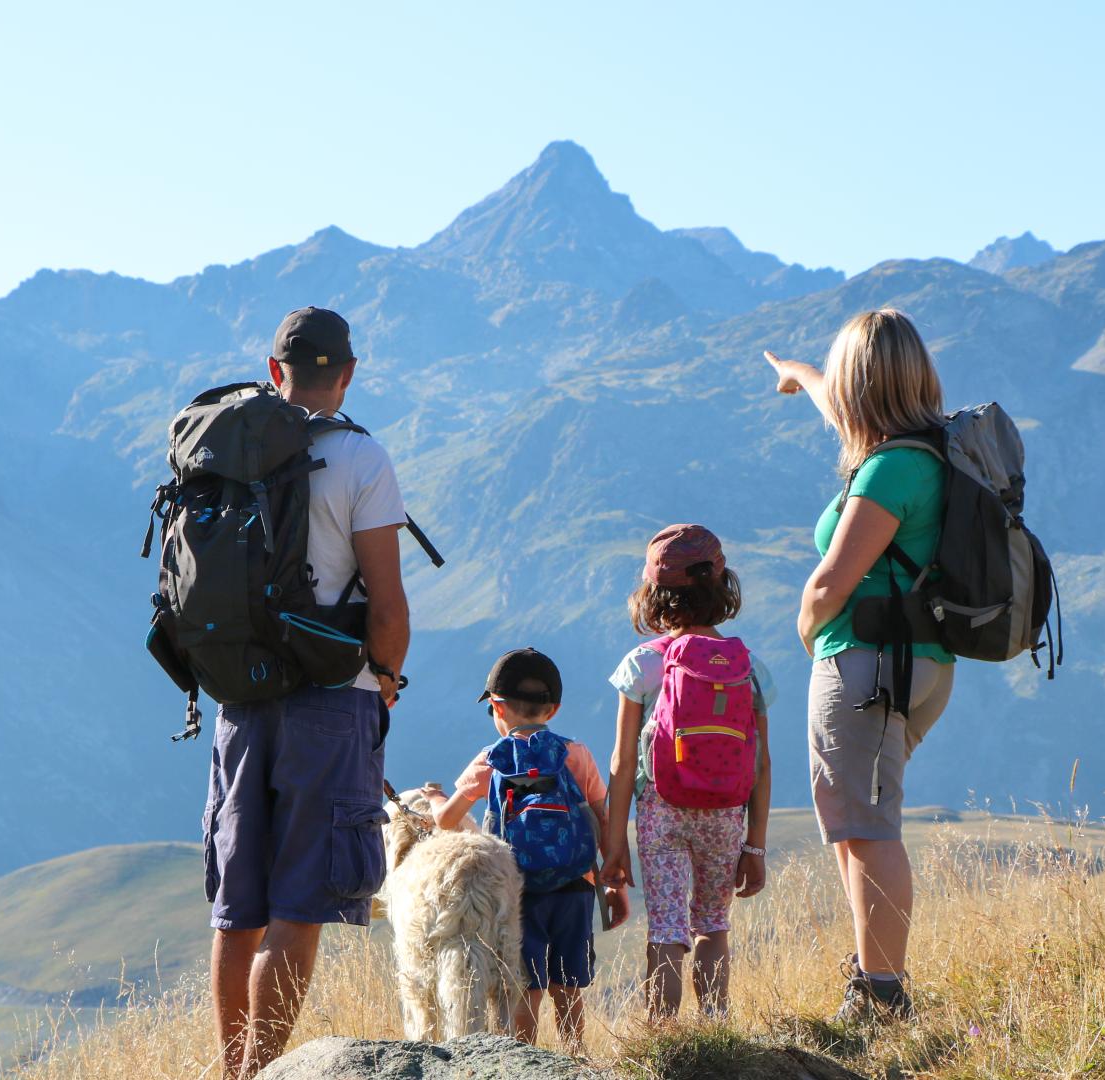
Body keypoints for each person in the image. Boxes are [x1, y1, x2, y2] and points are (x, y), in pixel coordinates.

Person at [206, 307, 411, 1078]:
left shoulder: (227, 451)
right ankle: (267, 1071)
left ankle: (233, 1071)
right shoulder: (361, 458)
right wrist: (385, 679)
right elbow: (387, 605)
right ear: (348, 373)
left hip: (239, 696)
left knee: (238, 909)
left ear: (273, 370)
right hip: (332, 695)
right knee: (300, 903)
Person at [763, 308, 955, 1022]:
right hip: (920, 662)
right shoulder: (932, 452)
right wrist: (801, 375)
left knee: (868, 828)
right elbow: (837, 408)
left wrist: (808, 631)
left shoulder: (888, 468)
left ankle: (882, 996)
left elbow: (830, 583)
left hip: (867, 662)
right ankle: (872, 978)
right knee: (854, 820)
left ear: (861, 384)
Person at [599, 524, 774, 1019]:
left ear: (653, 594)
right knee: (713, 924)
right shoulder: (747, 667)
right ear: (722, 586)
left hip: (662, 810)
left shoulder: (642, 664)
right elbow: (761, 762)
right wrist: (755, 846)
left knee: (667, 929)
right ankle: (715, 1029)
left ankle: (664, 1037)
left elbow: (622, 762)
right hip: (725, 813)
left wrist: (614, 843)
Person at [427, 649, 627, 1050]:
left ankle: (526, 1062)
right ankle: (575, 1057)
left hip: (516, 890)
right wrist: (613, 882)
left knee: (524, 986)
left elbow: (446, 821)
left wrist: (435, 798)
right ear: (553, 709)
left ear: (497, 707)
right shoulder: (575, 754)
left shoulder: (492, 760)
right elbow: (603, 821)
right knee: (568, 986)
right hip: (576, 884)